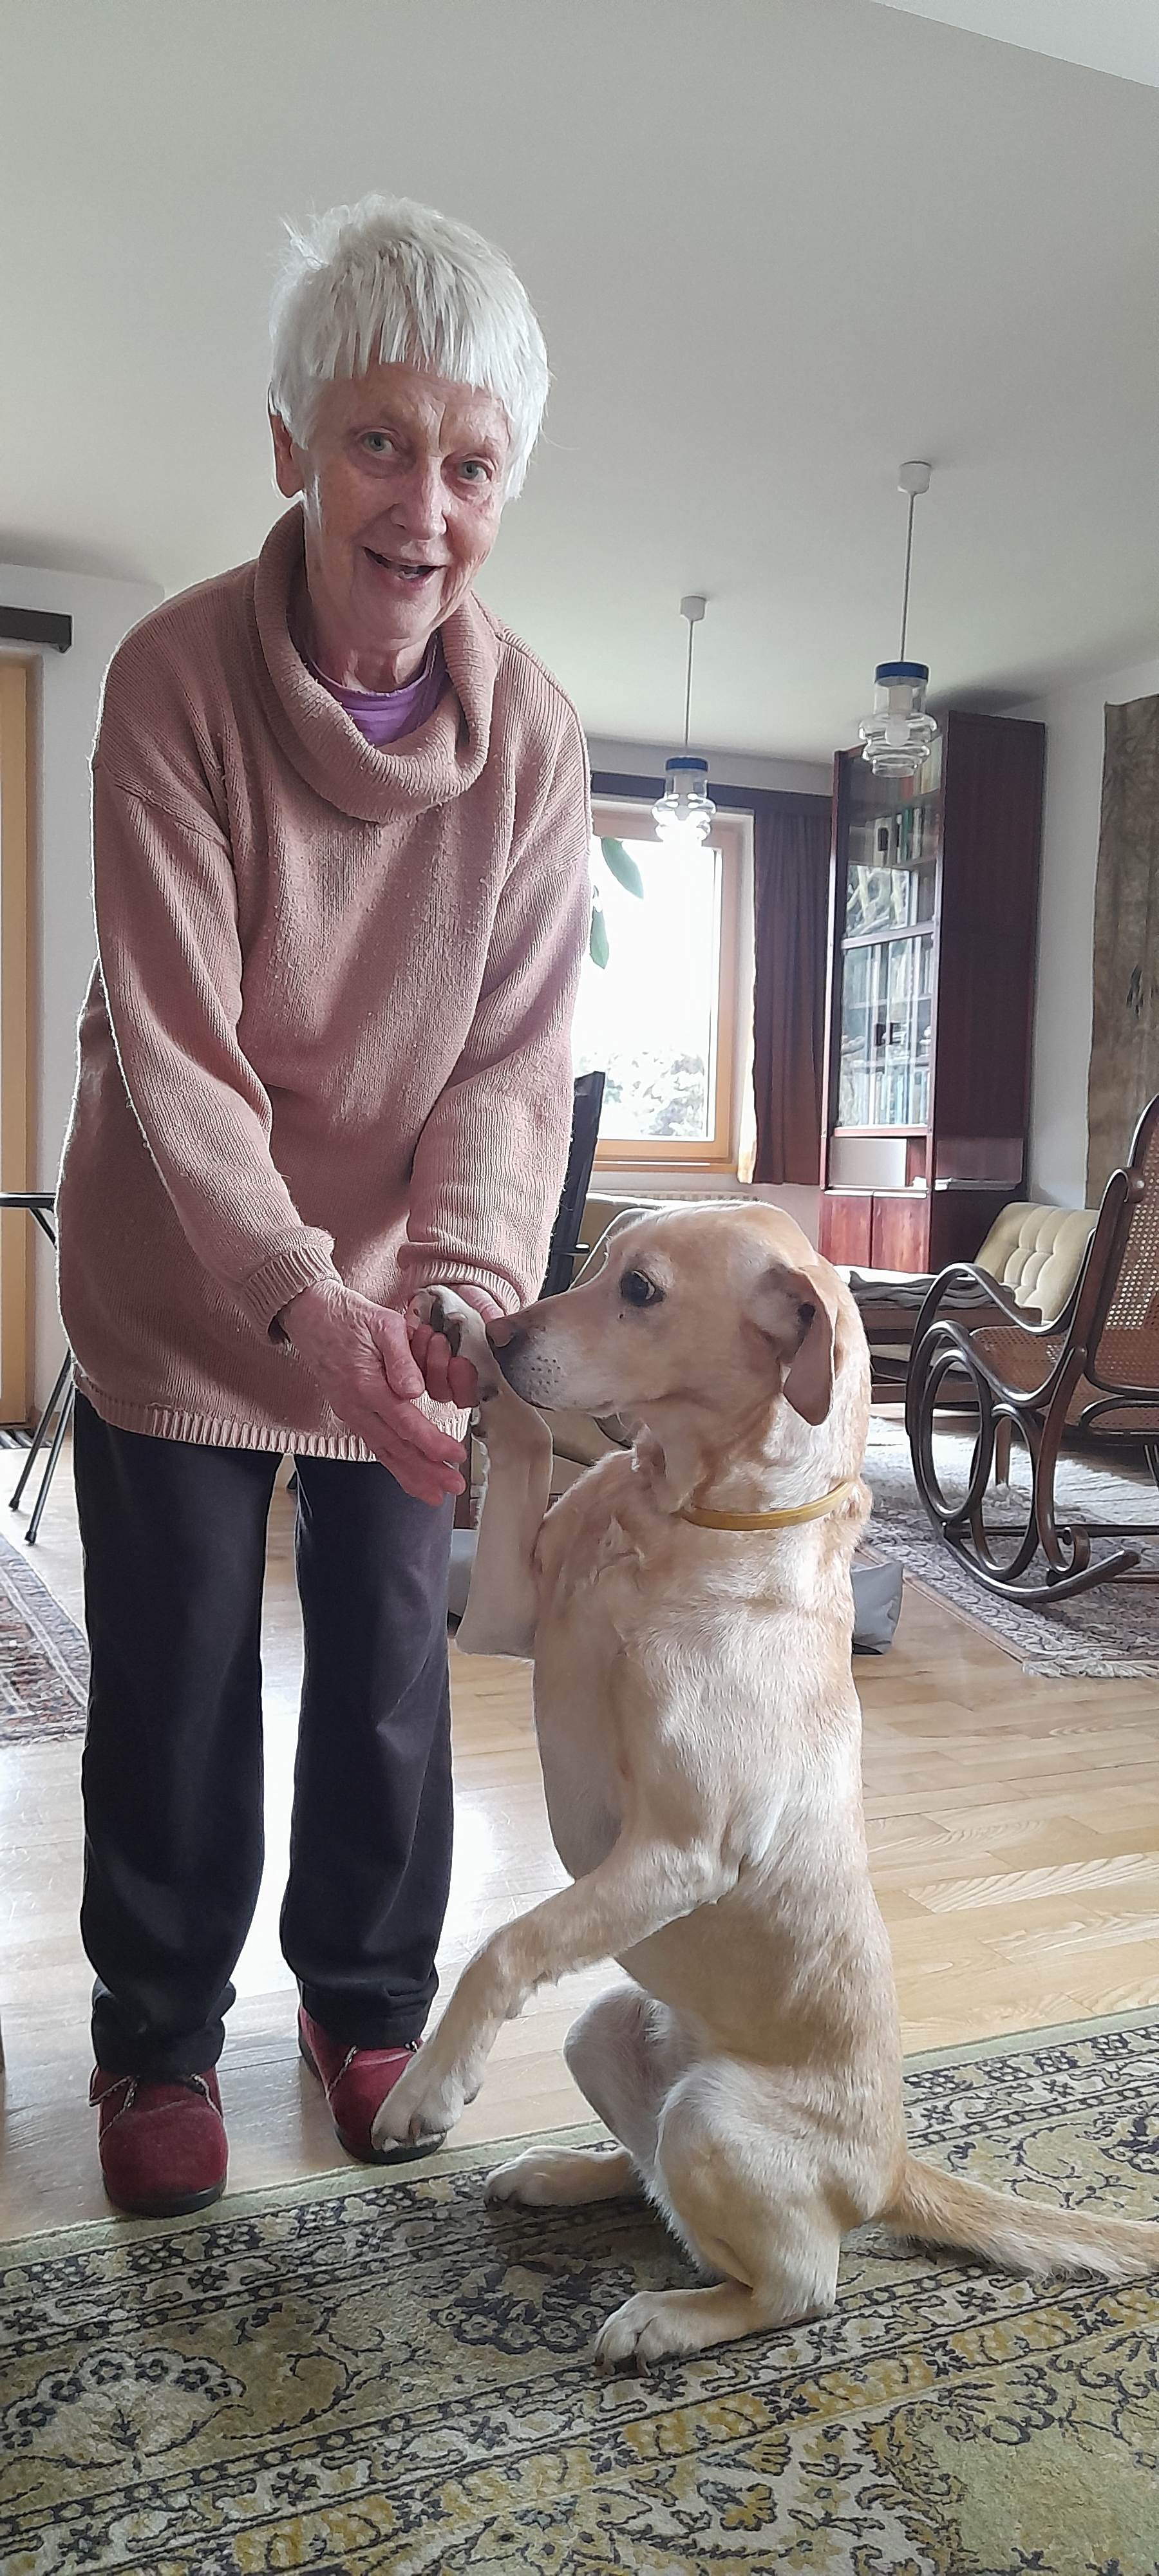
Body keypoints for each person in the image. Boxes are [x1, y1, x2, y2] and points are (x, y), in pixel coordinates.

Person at [56, 194, 592, 2219]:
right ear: (291, 442)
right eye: (380, 442)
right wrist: (299, 1294)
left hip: (400, 1288)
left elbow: (509, 1069)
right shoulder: (174, 679)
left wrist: (453, 1298)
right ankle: (157, 2033)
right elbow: (178, 1054)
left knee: (383, 1663)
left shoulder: (536, 743)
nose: (424, 508)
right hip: (188, 1269)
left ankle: (367, 2001)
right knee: (179, 1672)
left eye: (472, 465)